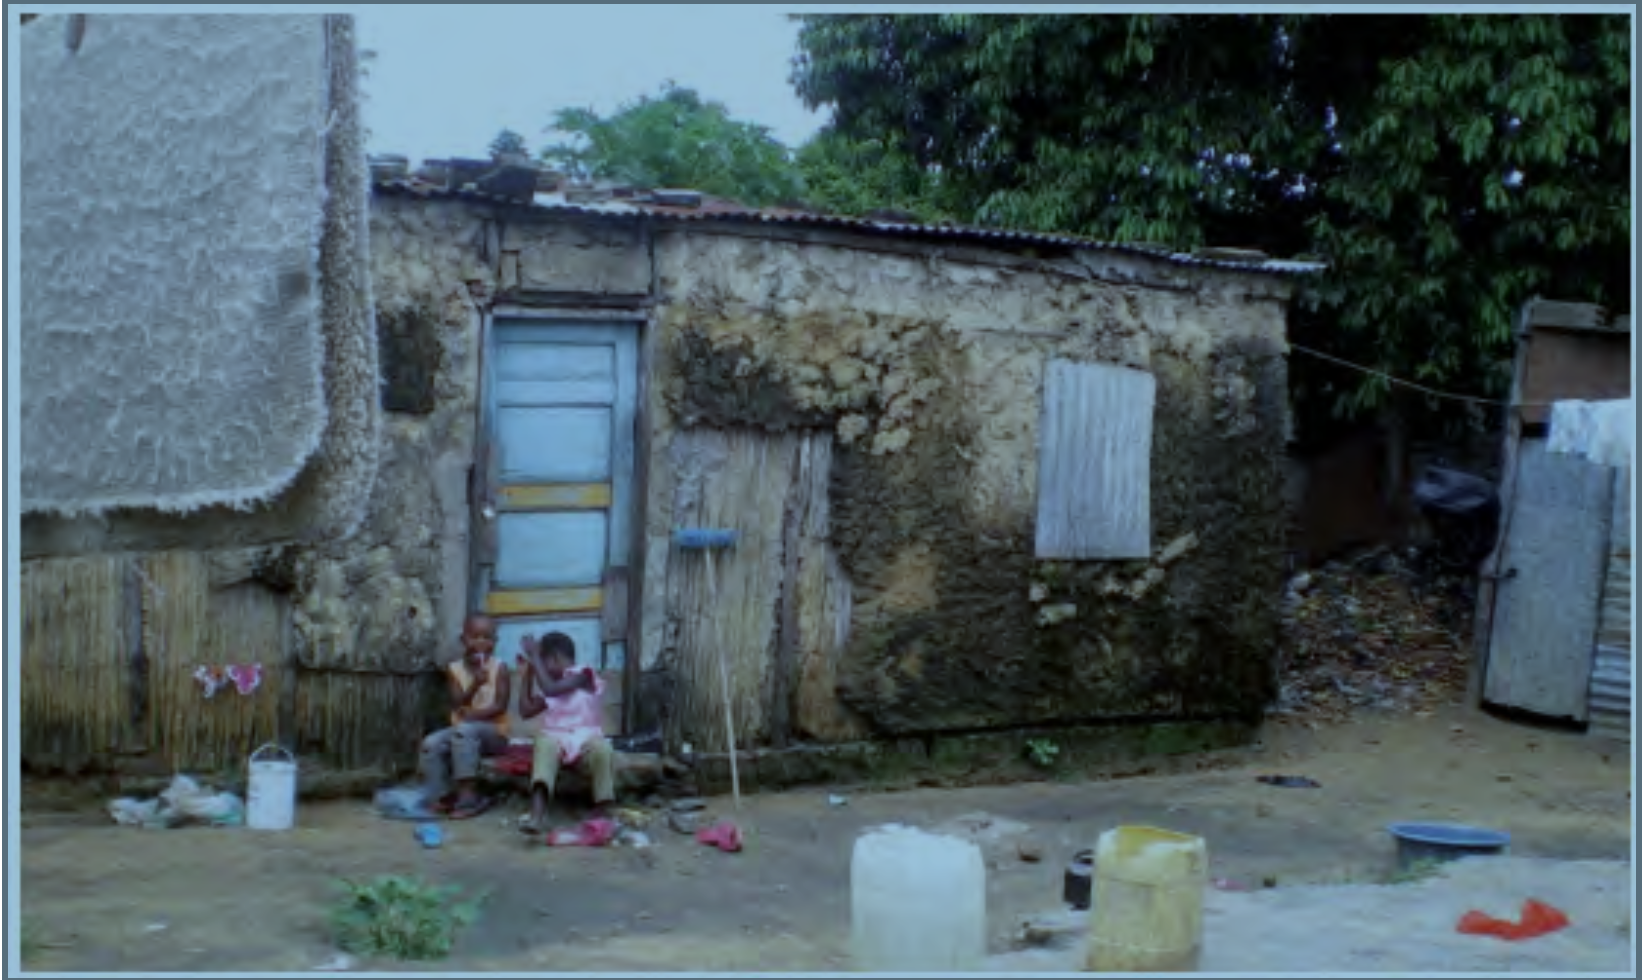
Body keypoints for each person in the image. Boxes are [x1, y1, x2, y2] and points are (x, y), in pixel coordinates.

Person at [516, 631, 615, 834]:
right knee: (543, 744)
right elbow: (526, 711)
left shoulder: (582, 675)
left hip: (586, 737)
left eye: (543, 663)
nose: (541, 669)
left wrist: (534, 657)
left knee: (602, 749)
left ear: (555, 658)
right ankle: (537, 814)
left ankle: (603, 809)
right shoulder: (552, 689)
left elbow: (552, 689)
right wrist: (527, 676)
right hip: (557, 739)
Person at [420, 613, 511, 819]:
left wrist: (472, 716)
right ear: (464, 640)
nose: (481, 643)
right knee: (431, 742)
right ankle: (442, 795)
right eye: (475, 637)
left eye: (487, 638)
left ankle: (469, 796)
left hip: (495, 734)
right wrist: (475, 684)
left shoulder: (500, 668)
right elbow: (457, 703)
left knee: (464, 730)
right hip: (462, 731)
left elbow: (500, 706)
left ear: (495, 642)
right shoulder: (454, 670)